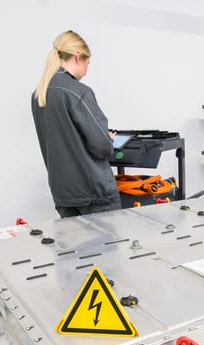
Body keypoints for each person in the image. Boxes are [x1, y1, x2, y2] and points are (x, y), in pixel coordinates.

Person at [32, 30, 121, 218]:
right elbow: (101, 146)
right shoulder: (78, 92)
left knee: (74, 247)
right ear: (78, 58)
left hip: (63, 193)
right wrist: (109, 139)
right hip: (94, 193)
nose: (87, 70)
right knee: (107, 247)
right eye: (88, 63)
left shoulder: (39, 94)